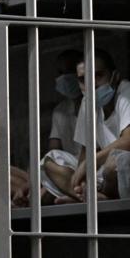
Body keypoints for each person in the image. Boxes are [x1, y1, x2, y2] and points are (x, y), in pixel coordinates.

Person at [40, 48, 130, 202]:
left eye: (98, 75)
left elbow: (128, 140)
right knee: (49, 162)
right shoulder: (87, 102)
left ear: (115, 77)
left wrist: (91, 162)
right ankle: (86, 195)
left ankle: (94, 196)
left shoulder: (126, 92)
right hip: (104, 173)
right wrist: (81, 181)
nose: (91, 84)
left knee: (113, 164)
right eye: (83, 79)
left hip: (120, 166)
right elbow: (86, 150)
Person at [48, 50, 84, 157]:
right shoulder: (59, 110)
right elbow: (53, 150)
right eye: (60, 72)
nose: (64, 77)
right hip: (70, 165)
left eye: (69, 71)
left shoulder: (98, 105)